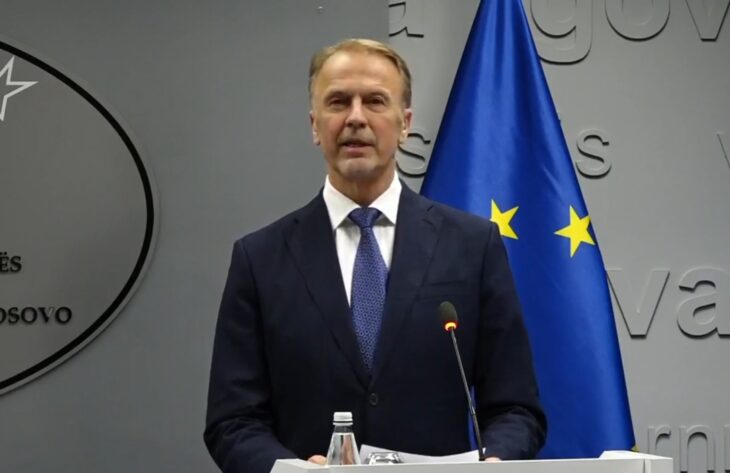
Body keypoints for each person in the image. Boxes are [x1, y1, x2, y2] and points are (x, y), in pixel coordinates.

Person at [204, 38, 546, 473]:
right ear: (314, 125)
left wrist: (494, 462)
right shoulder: (260, 259)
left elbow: (516, 408)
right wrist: (289, 469)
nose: (356, 117)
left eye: (375, 101)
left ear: (405, 124)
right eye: (338, 102)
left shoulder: (473, 246)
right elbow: (233, 421)